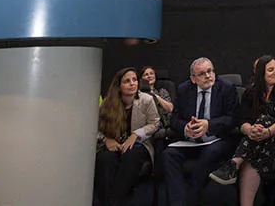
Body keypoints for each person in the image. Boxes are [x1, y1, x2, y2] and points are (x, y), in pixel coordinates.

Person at [209, 55, 275, 206]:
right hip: (256, 144)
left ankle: (234, 162)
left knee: (264, 119)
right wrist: (250, 130)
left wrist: (267, 131)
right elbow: (243, 120)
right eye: (270, 70)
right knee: (251, 161)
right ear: (261, 73)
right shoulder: (250, 93)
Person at [160, 57, 240, 206]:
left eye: (210, 71)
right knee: (168, 155)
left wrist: (208, 125)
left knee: (211, 152)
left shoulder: (226, 88)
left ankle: (191, 200)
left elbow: (233, 119)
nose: (208, 76)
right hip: (190, 142)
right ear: (193, 79)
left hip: (216, 140)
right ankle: (177, 202)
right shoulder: (184, 89)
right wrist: (185, 128)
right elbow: (174, 119)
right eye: (202, 74)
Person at [95, 67, 160, 206]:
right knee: (104, 159)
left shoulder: (146, 100)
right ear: (119, 86)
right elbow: (94, 127)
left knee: (131, 156)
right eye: (127, 81)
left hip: (139, 144)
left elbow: (155, 123)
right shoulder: (108, 103)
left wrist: (136, 134)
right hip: (114, 143)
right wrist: (107, 139)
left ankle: (114, 202)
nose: (132, 84)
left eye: (135, 80)